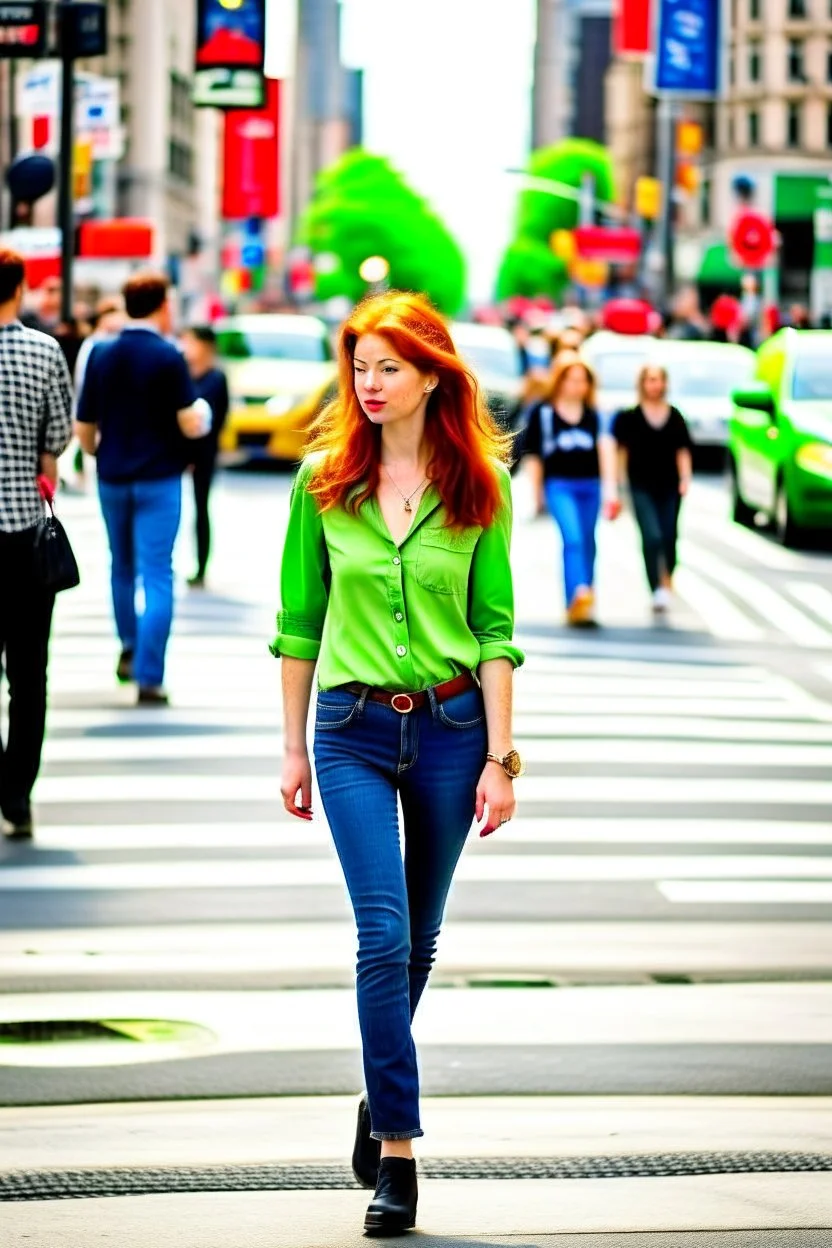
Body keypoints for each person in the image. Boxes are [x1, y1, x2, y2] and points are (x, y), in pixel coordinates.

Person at [272, 290, 524, 1237]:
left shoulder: (480, 487)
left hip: (456, 735)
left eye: (389, 369)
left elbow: (496, 630)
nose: (370, 386)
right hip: (351, 730)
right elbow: (298, 624)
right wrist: (293, 745)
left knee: (419, 942)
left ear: (432, 376)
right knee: (381, 933)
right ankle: (401, 1155)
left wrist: (503, 758)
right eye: (360, 369)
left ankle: (378, 1093)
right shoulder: (322, 482)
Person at [75, 271, 211, 705]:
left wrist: (98, 455)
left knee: (121, 566)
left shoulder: (102, 353)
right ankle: (150, 676)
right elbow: (190, 421)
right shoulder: (169, 357)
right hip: (159, 477)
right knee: (157, 572)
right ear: (162, 305)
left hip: (113, 475)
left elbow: (85, 425)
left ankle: (129, 648)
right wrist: (203, 414)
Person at [0, 249, 73, 840]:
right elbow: (60, 434)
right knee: (29, 673)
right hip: (24, 533)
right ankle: (17, 793)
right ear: (20, 287)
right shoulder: (43, 350)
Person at [522, 357, 615, 627]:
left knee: (588, 541)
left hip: (590, 485)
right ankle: (579, 592)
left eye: (582, 381)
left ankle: (581, 603)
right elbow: (534, 456)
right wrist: (536, 492)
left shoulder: (594, 414)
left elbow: (605, 450)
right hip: (559, 485)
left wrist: (611, 490)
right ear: (559, 381)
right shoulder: (544, 412)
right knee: (572, 538)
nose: (577, 386)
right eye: (571, 379)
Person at [609, 364, 693, 613]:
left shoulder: (675, 415)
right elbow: (620, 453)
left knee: (669, 536)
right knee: (652, 535)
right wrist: (620, 486)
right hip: (640, 485)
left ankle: (668, 576)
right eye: (650, 380)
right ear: (642, 383)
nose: (655, 385)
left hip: (669, 486)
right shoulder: (630, 417)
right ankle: (656, 586)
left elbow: (682, 450)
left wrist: (685, 478)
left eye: (659, 380)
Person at [180, 325, 229, 588]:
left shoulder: (216, 378)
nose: (186, 347)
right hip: (176, 450)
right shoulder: (181, 373)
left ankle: (200, 567)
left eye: (191, 342)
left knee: (201, 508)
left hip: (204, 453)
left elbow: (219, 418)